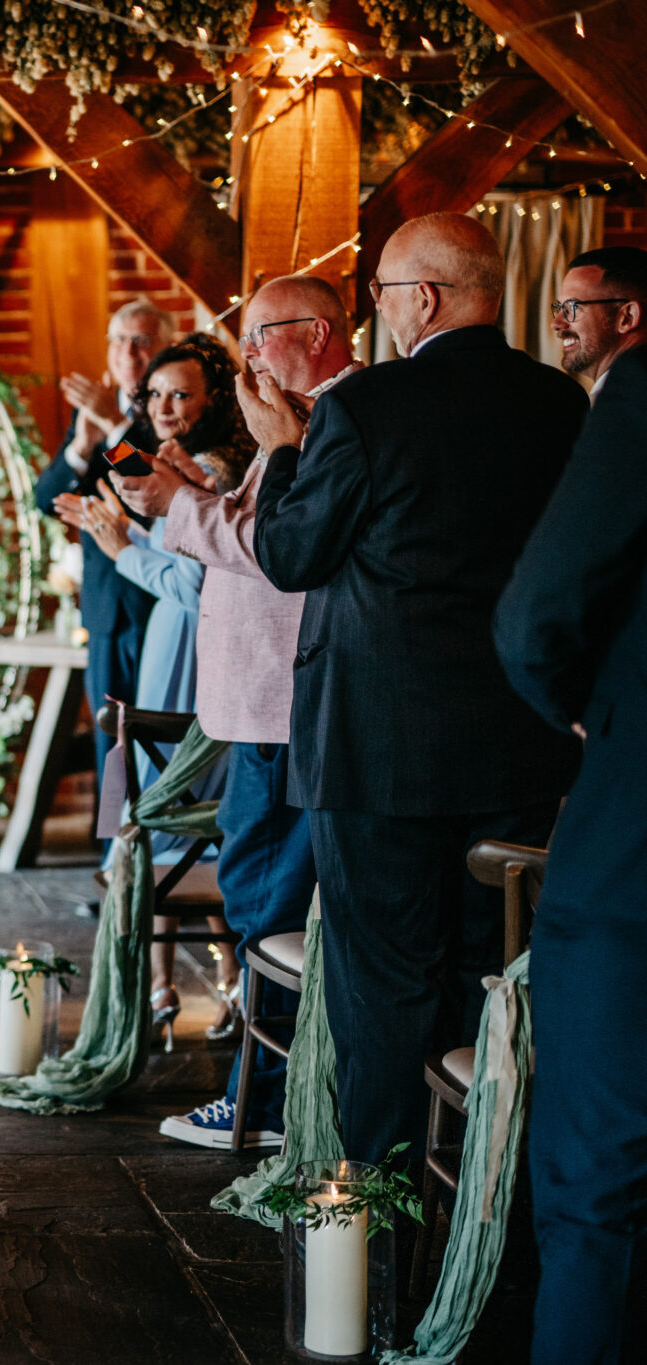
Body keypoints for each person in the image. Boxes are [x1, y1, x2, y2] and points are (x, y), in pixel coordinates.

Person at [250, 214, 584, 1171]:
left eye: (385, 296)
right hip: (517, 742)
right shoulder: (559, 403)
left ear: (424, 298)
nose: (383, 314)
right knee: (490, 976)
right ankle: (483, 1190)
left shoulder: (368, 408)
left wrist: (281, 450)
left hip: (376, 748)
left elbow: (290, 553)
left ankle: (378, 1209)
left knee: (383, 981)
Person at [117, 275, 358, 1148]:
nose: (248, 353)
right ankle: (266, 1091)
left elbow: (275, 552)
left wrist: (177, 508)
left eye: (262, 334)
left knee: (266, 907)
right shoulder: (289, 419)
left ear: (320, 333)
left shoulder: (324, 421)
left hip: (280, 705)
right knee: (263, 902)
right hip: (264, 704)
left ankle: (264, 1102)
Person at [495, 243, 647, 1365]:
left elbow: (536, 612)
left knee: (595, 1182)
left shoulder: (640, 388)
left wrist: (586, 712)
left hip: (634, 840)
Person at [62, 334, 252, 1056]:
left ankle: (183, 985)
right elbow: (130, 482)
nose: (166, 407)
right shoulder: (175, 463)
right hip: (170, 642)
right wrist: (113, 521)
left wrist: (120, 548)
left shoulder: (210, 469)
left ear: (213, 402)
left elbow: (195, 580)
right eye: (155, 395)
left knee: (168, 814)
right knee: (166, 819)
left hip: (191, 647)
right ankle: (174, 986)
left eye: (183, 394)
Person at [35, 299, 171, 794]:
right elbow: (45, 500)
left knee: (160, 735)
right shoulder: (91, 412)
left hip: (162, 598)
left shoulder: (171, 405)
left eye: (142, 340)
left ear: (165, 348)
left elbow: (149, 490)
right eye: (118, 340)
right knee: (110, 739)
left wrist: (115, 427)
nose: (128, 352)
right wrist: (80, 449)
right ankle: (113, 855)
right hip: (107, 605)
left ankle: (158, 846)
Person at [551, 244, 647, 391]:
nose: (556, 323)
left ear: (627, 317)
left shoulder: (629, 402)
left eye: (573, 307)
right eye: (559, 308)